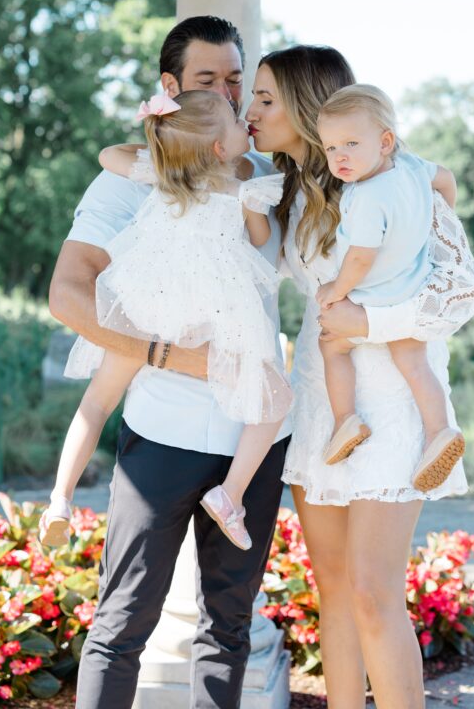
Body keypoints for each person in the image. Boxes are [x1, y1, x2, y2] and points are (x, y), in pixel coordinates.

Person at [48, 16, 290, 709]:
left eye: (236, 81)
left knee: (229, 629)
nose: (229, 92)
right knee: (123, 622)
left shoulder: (267, 179)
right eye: (208, 80)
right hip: (162, 434)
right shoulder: (132, 183)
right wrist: (169, 356)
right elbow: (67, 294)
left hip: (256, 436)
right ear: (171, 86)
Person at [245, 46, 474, 709]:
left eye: (266, 99)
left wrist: (365, 326)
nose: (253, 110)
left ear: (305, 105)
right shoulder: (286, 190)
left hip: (393, 403)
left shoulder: (400, 180)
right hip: (323, 401)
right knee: (336, 592)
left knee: (375, 594)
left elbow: (462, 293)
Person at [40, 90, 291, 554]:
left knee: (97, 402)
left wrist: (165, 149)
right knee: (275, 397)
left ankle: (59, 499)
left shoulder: (163, 176)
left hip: (147, 305)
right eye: (237, 123)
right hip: (213, 315)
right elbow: (260, 245)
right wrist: (253, 210)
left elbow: (106, 154)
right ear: (220, 148)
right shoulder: (243, 192)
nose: (245, 127)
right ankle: (230, 495)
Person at [314, 83, 467, 492]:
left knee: (331, 344)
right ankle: (440, 433)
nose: (339, 156)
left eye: (350, 143)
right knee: (415, 365)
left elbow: (361, 258)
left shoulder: (366, 195)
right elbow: (447, 180)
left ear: (384, 141)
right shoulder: (414, 168)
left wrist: (336, 290)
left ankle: (346, 420)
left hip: (372, 299)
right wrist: (438, 220)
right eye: (329, 148)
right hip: (412, 293)